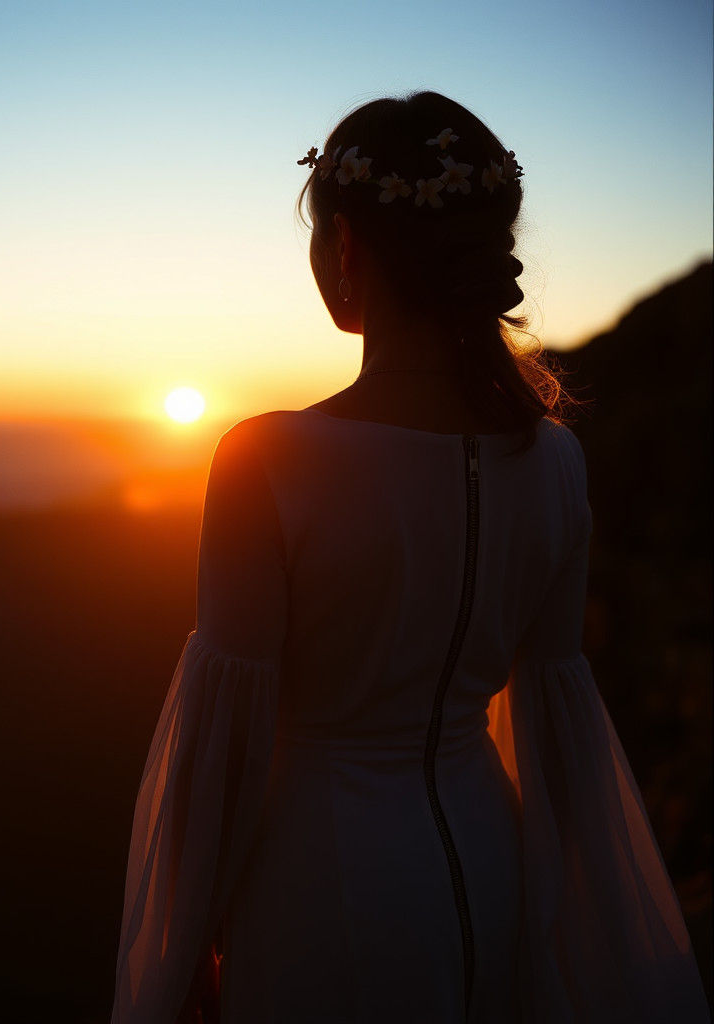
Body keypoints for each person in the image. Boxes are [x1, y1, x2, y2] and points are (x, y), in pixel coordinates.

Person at [109, 91, 710, 1023]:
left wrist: (181, 947)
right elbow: (558, 724)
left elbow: (225, 746)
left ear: (347, 246)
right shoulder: (554, 458)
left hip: (322, 892)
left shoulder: (267, 460)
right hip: (494, 863)